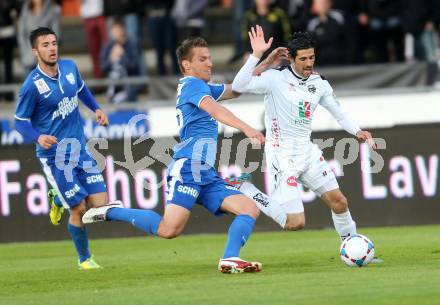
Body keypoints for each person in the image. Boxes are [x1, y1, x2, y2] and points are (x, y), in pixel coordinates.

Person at [83, 34, 268, 274]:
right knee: (169, 230)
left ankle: (230, 258)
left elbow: (237, 90)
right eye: (203, 59)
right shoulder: (193, 85)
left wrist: (261, 60)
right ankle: (110, 210)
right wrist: (247, 128)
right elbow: (215, 109)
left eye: (210, 58)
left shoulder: (201, 86)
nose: (210, 63)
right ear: (187, 65)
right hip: (189, 167)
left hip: (206, 173)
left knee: (249, 209)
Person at [14, 27, 154, 270]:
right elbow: (20, 122)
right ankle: (84, 259)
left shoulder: (70, 67)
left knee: (100, 204)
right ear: (35, 51)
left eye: (54, 43)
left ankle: (57, 197)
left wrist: (96, 108)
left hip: (80, 150)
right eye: (45, 45)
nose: (52, 48)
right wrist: (38, 138)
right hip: (55, 156)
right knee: (78, 208)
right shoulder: (31, 86)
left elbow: (81, 91)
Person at [229, 28, 377, 242]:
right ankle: (246, 188)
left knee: (339, 202)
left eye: (312, 57)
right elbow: (238, 85)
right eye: (304, 59)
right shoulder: (274, 78)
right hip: (282, 154)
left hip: (307, 151)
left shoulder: (319, 84)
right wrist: (260, 56)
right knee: (295, 223)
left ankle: (352, 246)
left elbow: (339, 112)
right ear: (290, 58)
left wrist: (357, 131)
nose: (309, 63)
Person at [100, 19, 139, 103]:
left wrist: (123, 55)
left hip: (128, 84)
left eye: (118, 30)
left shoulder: (131, 45)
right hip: (111, 84)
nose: (116, 33)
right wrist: (111, 59)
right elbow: (102, 67)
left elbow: (135, 67)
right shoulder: (107, 46)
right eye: (114, 30)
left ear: (123, 30)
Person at [18, 0, 61, 74]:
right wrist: (25, 51)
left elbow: (56, 34)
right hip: (29, 55)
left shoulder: (52, 10)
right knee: (30, 84)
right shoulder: (26, 9)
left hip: (47, 58)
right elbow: (21, 33)